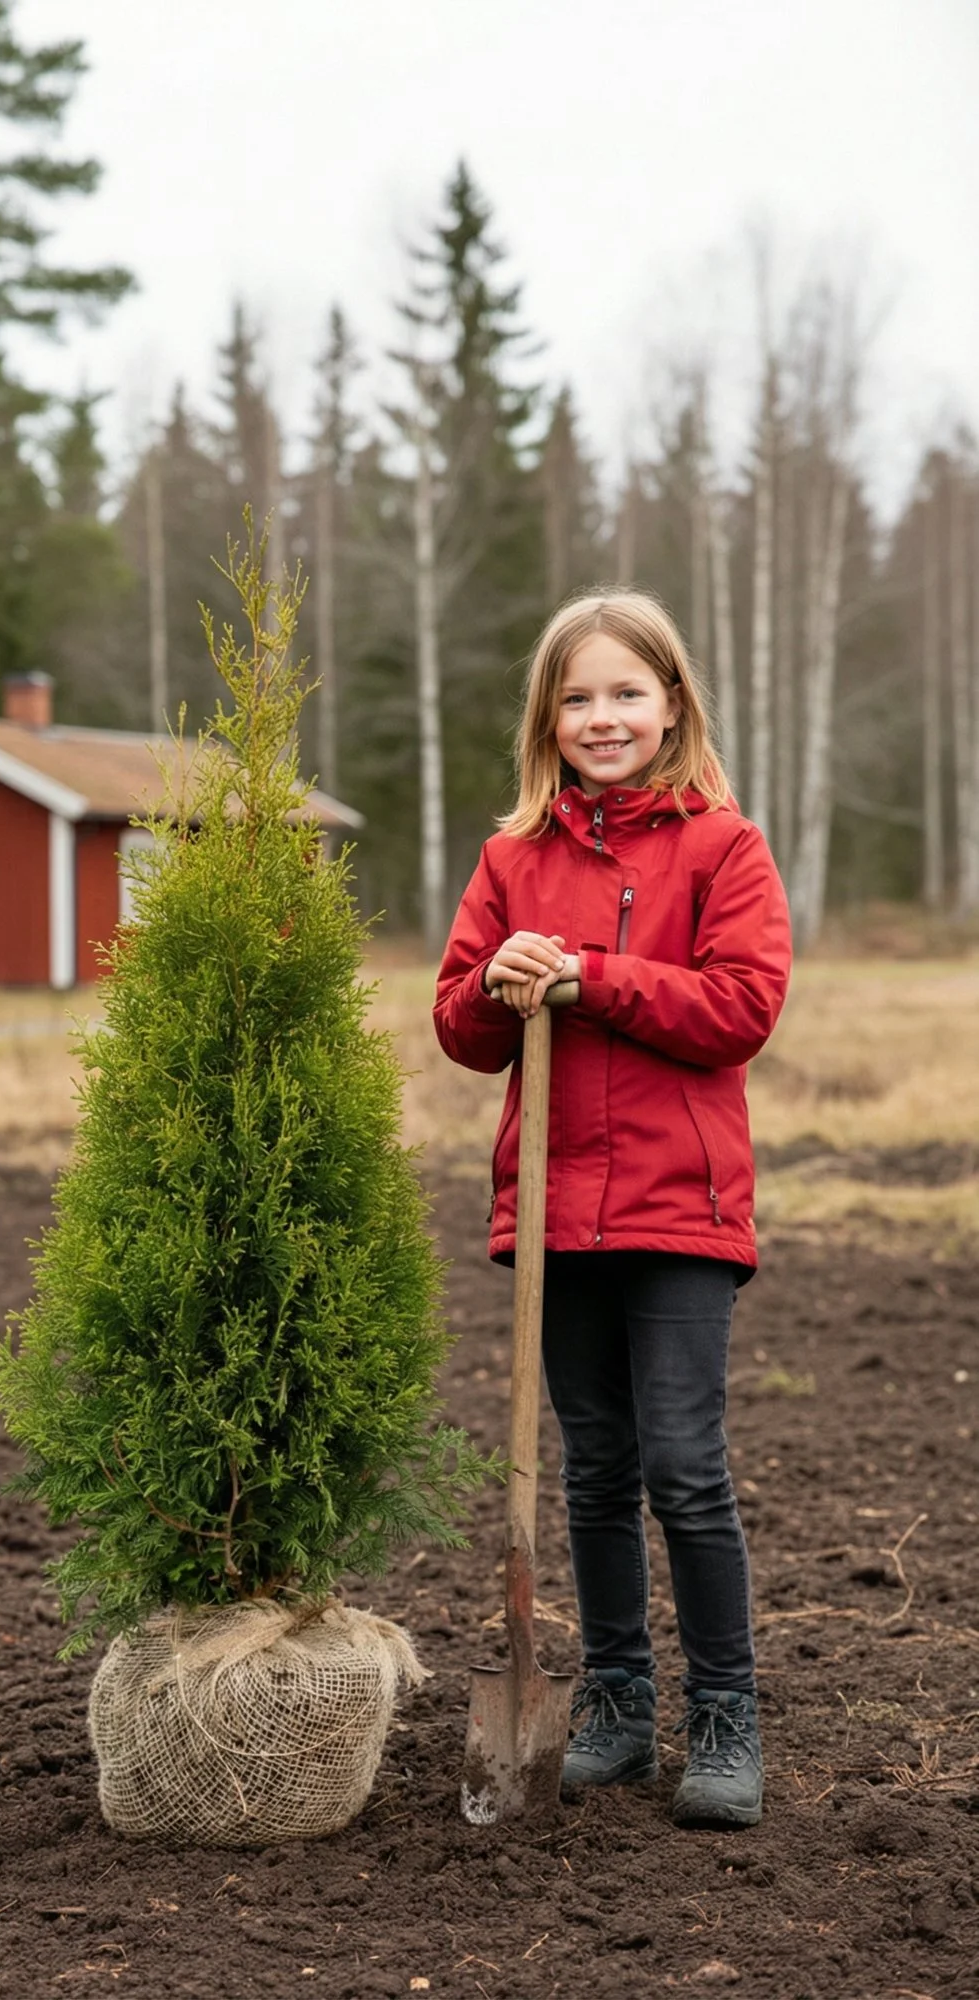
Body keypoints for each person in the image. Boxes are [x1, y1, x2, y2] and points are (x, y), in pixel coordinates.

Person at [433, 588, 791, 1829]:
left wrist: (591, 978)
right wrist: (499, 977)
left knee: (685, 1468)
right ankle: (619, 1705)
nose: (603, 716)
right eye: (577, 697)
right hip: (552, 1217)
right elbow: (461, 1031)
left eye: (627, 692)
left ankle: (724, 1713)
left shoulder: (723, 848)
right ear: (548, 717)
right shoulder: (511, 859)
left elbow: (741, 1006)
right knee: (592, 1470)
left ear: (673, 703)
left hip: (681, 1210)